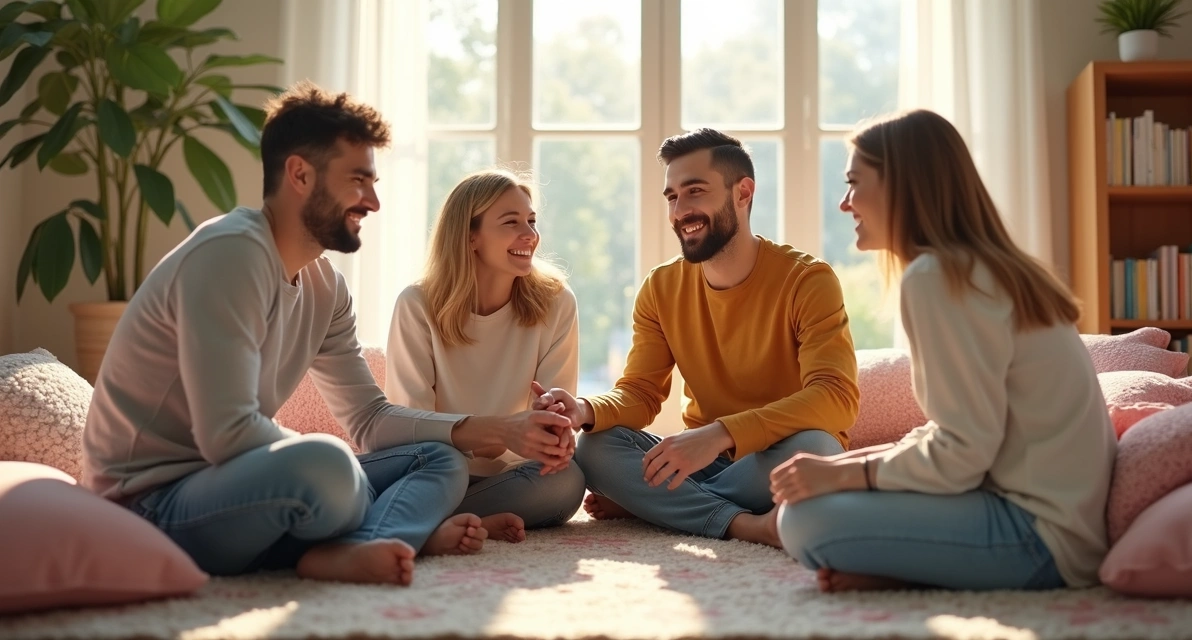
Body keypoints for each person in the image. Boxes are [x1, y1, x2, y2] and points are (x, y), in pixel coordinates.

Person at [81, 81, 572, 587]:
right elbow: (227, 434)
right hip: (151, 503)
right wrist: (344, 473)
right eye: (358, 180)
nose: (374, 202)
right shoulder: (230, 254)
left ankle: (370, 545)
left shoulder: (324, 286)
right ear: (300, 174)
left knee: (438, 459)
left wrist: (499, 430)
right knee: (329, 464)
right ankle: (400, 529)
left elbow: (369, 419)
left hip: (238, 488)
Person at [771, 109, 1116, 592]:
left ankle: (909, 571)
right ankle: (909, 569)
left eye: (854, 182)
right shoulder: (985, 270)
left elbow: (963, 453)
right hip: (1051, 521)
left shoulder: (936, 278)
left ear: (903, 185)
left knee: (802, 520)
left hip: (1039, 538)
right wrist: (841, 468)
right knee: (816, 494)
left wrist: (851, 478)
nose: (845, 204)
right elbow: (960, 433)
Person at [534, 128, 859, 545]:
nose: (679, 210)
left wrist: (719, 433)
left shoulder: (808, 280)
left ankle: (657, 504)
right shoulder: (660, 287)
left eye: (695, 191)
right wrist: (582, 409)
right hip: (701, 462)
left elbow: (836, 399)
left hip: (772, 456)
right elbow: (640, 394)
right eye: (672, 196)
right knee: (596, 447)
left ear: (743, 193)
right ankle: (744, 522)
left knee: (817, 448)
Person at [386, 169, 584, 543]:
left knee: (567, 481)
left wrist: (554, 434)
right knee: (426, 472)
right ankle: (432, 515)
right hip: (436, 467)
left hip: (514, 476)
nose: (530, 234)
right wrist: (502, 434)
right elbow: (410, 427)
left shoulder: (557, 301)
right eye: (511, 222)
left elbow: (555, 415)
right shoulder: (417, 304)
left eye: (531, 221)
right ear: (470, 236)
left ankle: (424, 517)